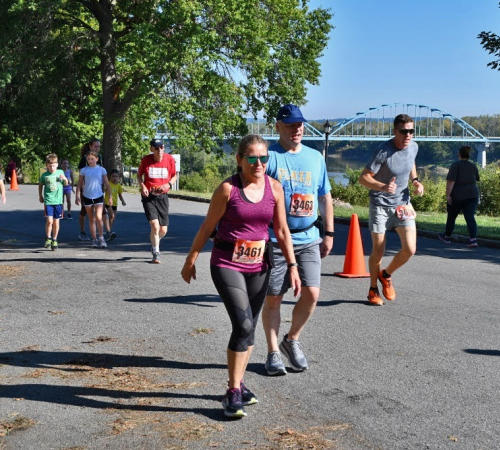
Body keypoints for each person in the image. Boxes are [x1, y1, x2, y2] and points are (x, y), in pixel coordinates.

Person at [181, 134, 301, 418]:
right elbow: (207, 225)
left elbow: (282, 231)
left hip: (260, 264)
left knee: (249, 327)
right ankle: (233, 391)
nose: (258, 163)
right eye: (252, 158)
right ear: (239, 159)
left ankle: (240, 383)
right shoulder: (227, 189)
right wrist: (191, 258)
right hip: (226, 262)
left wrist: (293, 266)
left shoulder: (275, 188)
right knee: (244, 324)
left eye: (264, 158)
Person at [262, 104, 334, 376]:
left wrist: (328, 232)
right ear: (278, 127)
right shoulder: (269, 158)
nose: (297, 129)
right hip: (275, 239)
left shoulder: (316, 157)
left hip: (308, 237)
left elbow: (325, 196)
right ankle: (272, 353)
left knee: (312, 292)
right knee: (274, 299)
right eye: (291, 125)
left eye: (300, 124)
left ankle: (291, 340)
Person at [358, 113, 424, 306]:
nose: (409, 135)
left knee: (410, 249)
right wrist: (383, 187)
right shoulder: (383, 151)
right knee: (378, 251)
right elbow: (363, 178)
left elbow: (411, 161)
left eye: (412, 131)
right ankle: (372, 289)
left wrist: (415, 181)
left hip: (402, 203)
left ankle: (386, 275)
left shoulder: (413, 146)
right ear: (395, 131)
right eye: (404, 131)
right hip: (380, 204)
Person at [137, 139, 177, 264]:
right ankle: (156, 252)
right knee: (155, 225)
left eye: (162, 147)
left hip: (162, 197)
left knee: (163, 230)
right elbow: (139, 175)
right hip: (149, 196)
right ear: (152, 149)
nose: (160, 150)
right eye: (156, 148)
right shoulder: (146, 160)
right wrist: (143, 186)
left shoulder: (169, 159)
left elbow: (175, 175)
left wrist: (168, 184)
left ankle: (155, 241)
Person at [438, 145, 480, 248]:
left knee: (452, 216)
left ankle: (447, 237)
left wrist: (448, 194)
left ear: (459, 154)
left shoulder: (455, 165)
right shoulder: (473, 166)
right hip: (472, 195)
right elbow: (477, 179)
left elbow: (451, 181)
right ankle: (473, 240)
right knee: (470, 217)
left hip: (458, 195)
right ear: (469, 155)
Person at [75, 150, 112, 248]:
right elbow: (79, 184)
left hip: (98, 196)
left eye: (92, 159)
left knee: (99, 217)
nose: (90, 161)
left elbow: (107, 183)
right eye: (88, 159)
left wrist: (110, 196)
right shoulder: (84, 170)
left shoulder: (101, 169)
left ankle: (101, 237)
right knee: (92, 219)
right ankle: (94, 239)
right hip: (87, 196)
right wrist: (77, 195)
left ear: (97, 159)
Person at [38, 154, 69, 250]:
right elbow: (40, 185)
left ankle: (55, 239)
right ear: (47, 165)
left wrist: (65, 179)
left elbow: (66, 183)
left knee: (56, 222)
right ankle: (48, 237)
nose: (52, 168)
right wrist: (40, 195)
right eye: (50, 166)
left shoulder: (60, 172)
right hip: (48, 200)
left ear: (57, 164)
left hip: (58, 201)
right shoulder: (44, 175)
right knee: (49, 221)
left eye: (54, 165)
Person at [77, 138, 103, 241]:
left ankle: (103, 234)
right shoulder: (85, 158)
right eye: (96, 146)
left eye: (99, 146)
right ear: (90, 147)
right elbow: (81, 174)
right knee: (84, 211)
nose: (98, 148)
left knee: (101, 213)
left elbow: (100, 173)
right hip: (87, 190)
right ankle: (83, 231)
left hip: (98, 190)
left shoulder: (99, 157)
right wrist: (81, 189)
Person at [104, 169, 126, 241]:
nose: (115, 178)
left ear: (118, 177)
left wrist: (123, 201)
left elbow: (120, 195)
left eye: (116, 176)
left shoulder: (119, 186)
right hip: (107, 202)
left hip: (115, 203)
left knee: (113, 218)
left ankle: (109, 230)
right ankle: (109, 231)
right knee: (112, 215)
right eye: (113, 176)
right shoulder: (108, 184)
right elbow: (103, 191)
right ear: (110, 177)